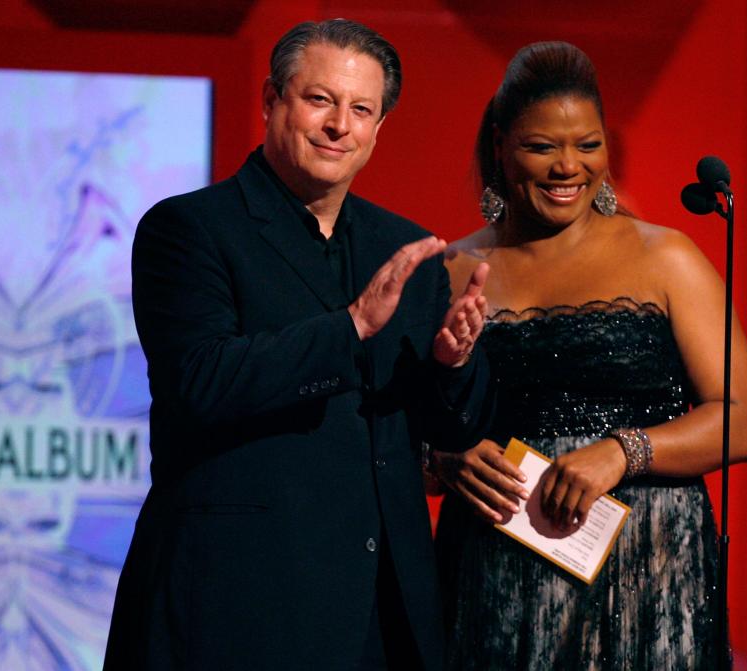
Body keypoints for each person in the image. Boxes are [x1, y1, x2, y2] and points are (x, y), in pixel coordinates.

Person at [104, 19, 494, 671]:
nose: (339, 125)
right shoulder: (189, 229)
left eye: (360, 109)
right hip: (242, 603)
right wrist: (349, 329)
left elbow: (446, 430)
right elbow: (201, 381)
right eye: (319, 100)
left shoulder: (406, 249)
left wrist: (453, 366)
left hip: (382, 612)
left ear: (377, 129)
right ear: (270, 100)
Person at [429, 41, 747, 670]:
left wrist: (622, 452)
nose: (568, 167)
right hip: (500, 581)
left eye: (587, 145)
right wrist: (445, 459)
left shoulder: (667, 257)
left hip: (651, 577)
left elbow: (743, 422)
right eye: (541, 147)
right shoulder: (449, 271)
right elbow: (407, 438)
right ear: (500, 145)